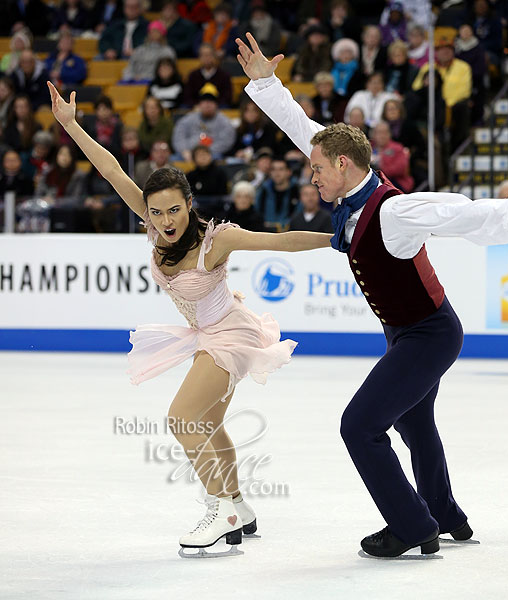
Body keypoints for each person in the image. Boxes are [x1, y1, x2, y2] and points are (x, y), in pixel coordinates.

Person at [236, 31, 508, 559]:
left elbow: (457, 211)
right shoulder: (347, 174)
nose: (310, 174)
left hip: (429, 335)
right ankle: (445, 514)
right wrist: (267, 86)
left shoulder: (393, 210)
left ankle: (412, 526)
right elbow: (304, 131)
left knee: (359, 426)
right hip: (410, 332)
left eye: (317, 168)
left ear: (343, 165)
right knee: (414, 420)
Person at [48, 79, 332, 555]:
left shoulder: (214, 239)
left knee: (182, 419)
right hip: (203, 334)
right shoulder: (151, 220)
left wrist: (338, 239)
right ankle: (240, 505)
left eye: (173, 210)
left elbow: (279, 241)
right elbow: (112, 169)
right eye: (156, 213)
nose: (165, 221)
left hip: (230, 334)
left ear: (189, 204)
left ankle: (219, 509)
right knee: (208, 423)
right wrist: (72, 128)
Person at [172, 86, 235, 162]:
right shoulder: (188, 119)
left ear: (216, 104)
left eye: (211, 101)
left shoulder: (224, 122)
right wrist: (184, 151)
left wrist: (205, 153)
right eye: (204, 101)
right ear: (199, 104)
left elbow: (226, 142)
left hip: (212, 154)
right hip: (188, 154)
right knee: (173, 159)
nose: (207, 105)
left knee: (219, 159)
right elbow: (178, 137)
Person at [183, 43, 233, 108]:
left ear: (214, 56)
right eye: (203, 55)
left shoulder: (224, 75)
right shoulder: (193, 75)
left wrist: (214, 106)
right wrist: (198, 106)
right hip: (197, 108)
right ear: (199, 57)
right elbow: (188, 96)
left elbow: (227, 97)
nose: (206, 58)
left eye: (209, 55)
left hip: (218, 108)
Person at [255, 157, 299, 229]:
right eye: (273, 169)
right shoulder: (263, 191)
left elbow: (300, 215)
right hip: (266, 234)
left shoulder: (297, 191)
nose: (277, 173)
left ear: (289, 172)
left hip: (290, 233)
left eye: (281, 169)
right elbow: (257, 213)